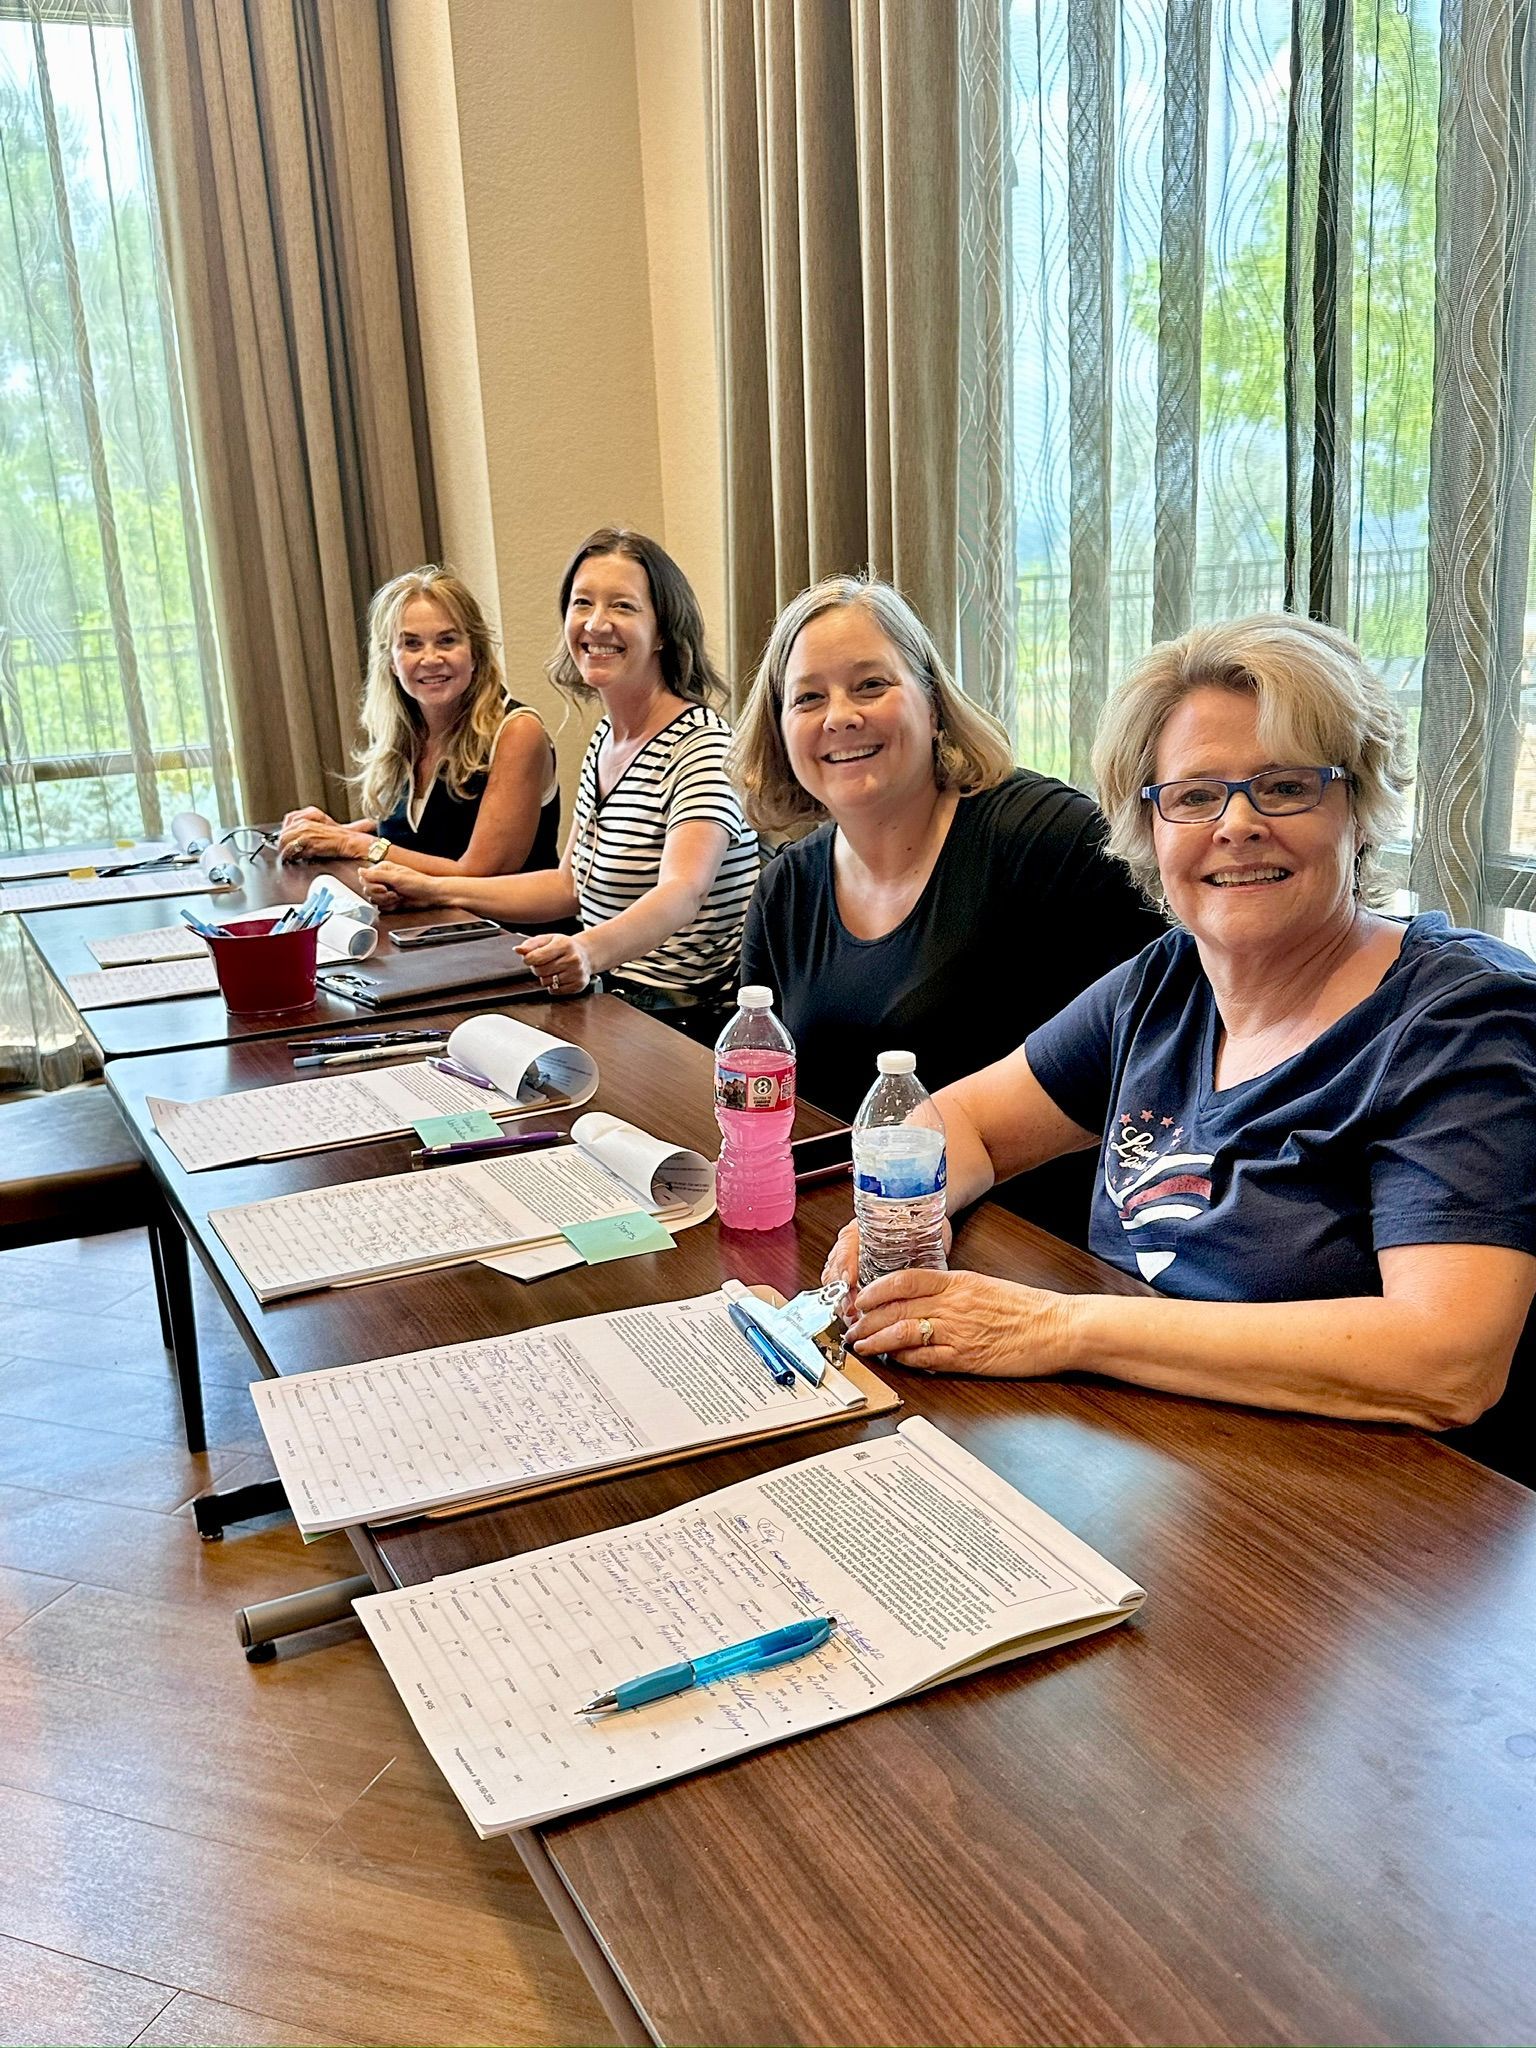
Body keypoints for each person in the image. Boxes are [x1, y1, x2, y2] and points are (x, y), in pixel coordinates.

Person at [832, 613, 1536, 1487]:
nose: (1237, 824)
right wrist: (899, 1220)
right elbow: (966, 1122)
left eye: (1284, 786)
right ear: (1151, 827)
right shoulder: (1165, 980)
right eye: (1195, 797)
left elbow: (1448, 1362)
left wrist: (1059, 1327)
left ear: (1357, 810)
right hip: (1147, 1465)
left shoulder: (1463, 1017)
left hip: (1355, 1515)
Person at [731, 574, 1164, 1235]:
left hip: (1039, 1244)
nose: (840, 716)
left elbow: (1167, 1048)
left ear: (933, 704)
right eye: (808, 697)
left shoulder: (1050, 841)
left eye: (870, 685)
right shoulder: (784, 890)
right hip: (856, 1226)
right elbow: (768, 1098)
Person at [359, 528, 759, 1026]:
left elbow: (683, 892)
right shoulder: (607, 738)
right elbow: (568, 885)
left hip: (683, 1017)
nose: (596, 623)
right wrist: (431, 888)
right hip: (609, 998)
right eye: (582, 603)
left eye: (622, 606)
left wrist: (586, 950)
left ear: (663, 631)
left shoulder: (701, 745)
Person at [276, 566, 560, 878]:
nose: (430, 659)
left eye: (447, 640)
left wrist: (353, 844)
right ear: (391, 661)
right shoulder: (408, 729)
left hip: (507, 913)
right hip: (419, 911)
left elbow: (478, 872)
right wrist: (337, 833)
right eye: (411, 644)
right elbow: (425, 833)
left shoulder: (518, 731)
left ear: (475, 653)